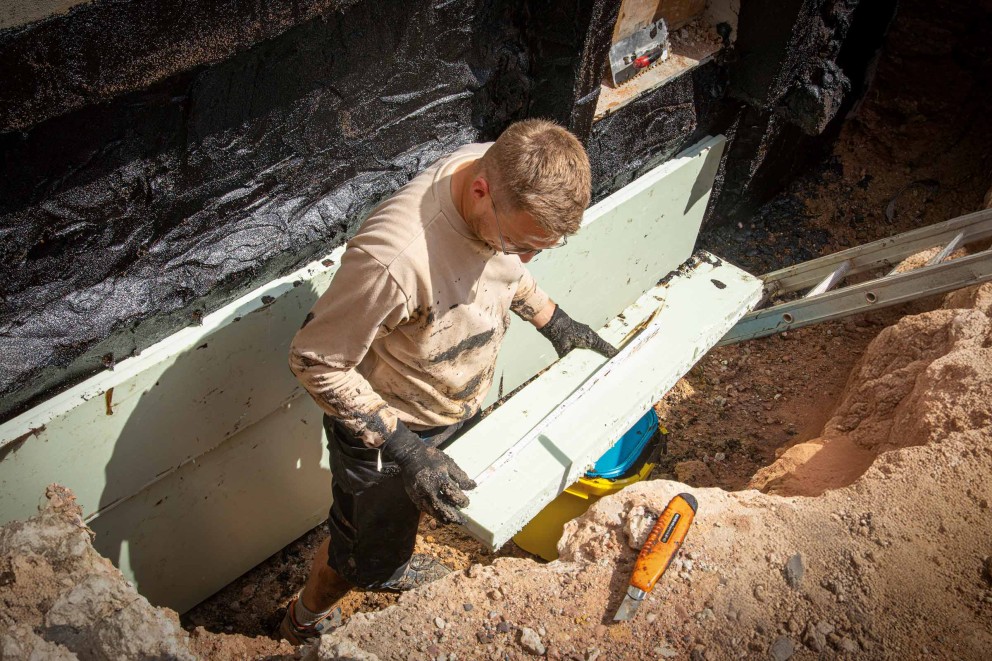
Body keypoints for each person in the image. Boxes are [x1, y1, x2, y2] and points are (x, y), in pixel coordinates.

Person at [281, 119, 616, 644]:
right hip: (391, 428)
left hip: (452, 400)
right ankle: (304, 619)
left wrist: (554, 319)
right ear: (481, 191)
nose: (523, 258)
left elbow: (507, 268)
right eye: (520, 243)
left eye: (539, 249)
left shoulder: (503, 168)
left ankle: (392, 558)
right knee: (360, 552)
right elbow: (316, 359)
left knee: (403, 523)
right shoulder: (394, 258)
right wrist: (408, 453)